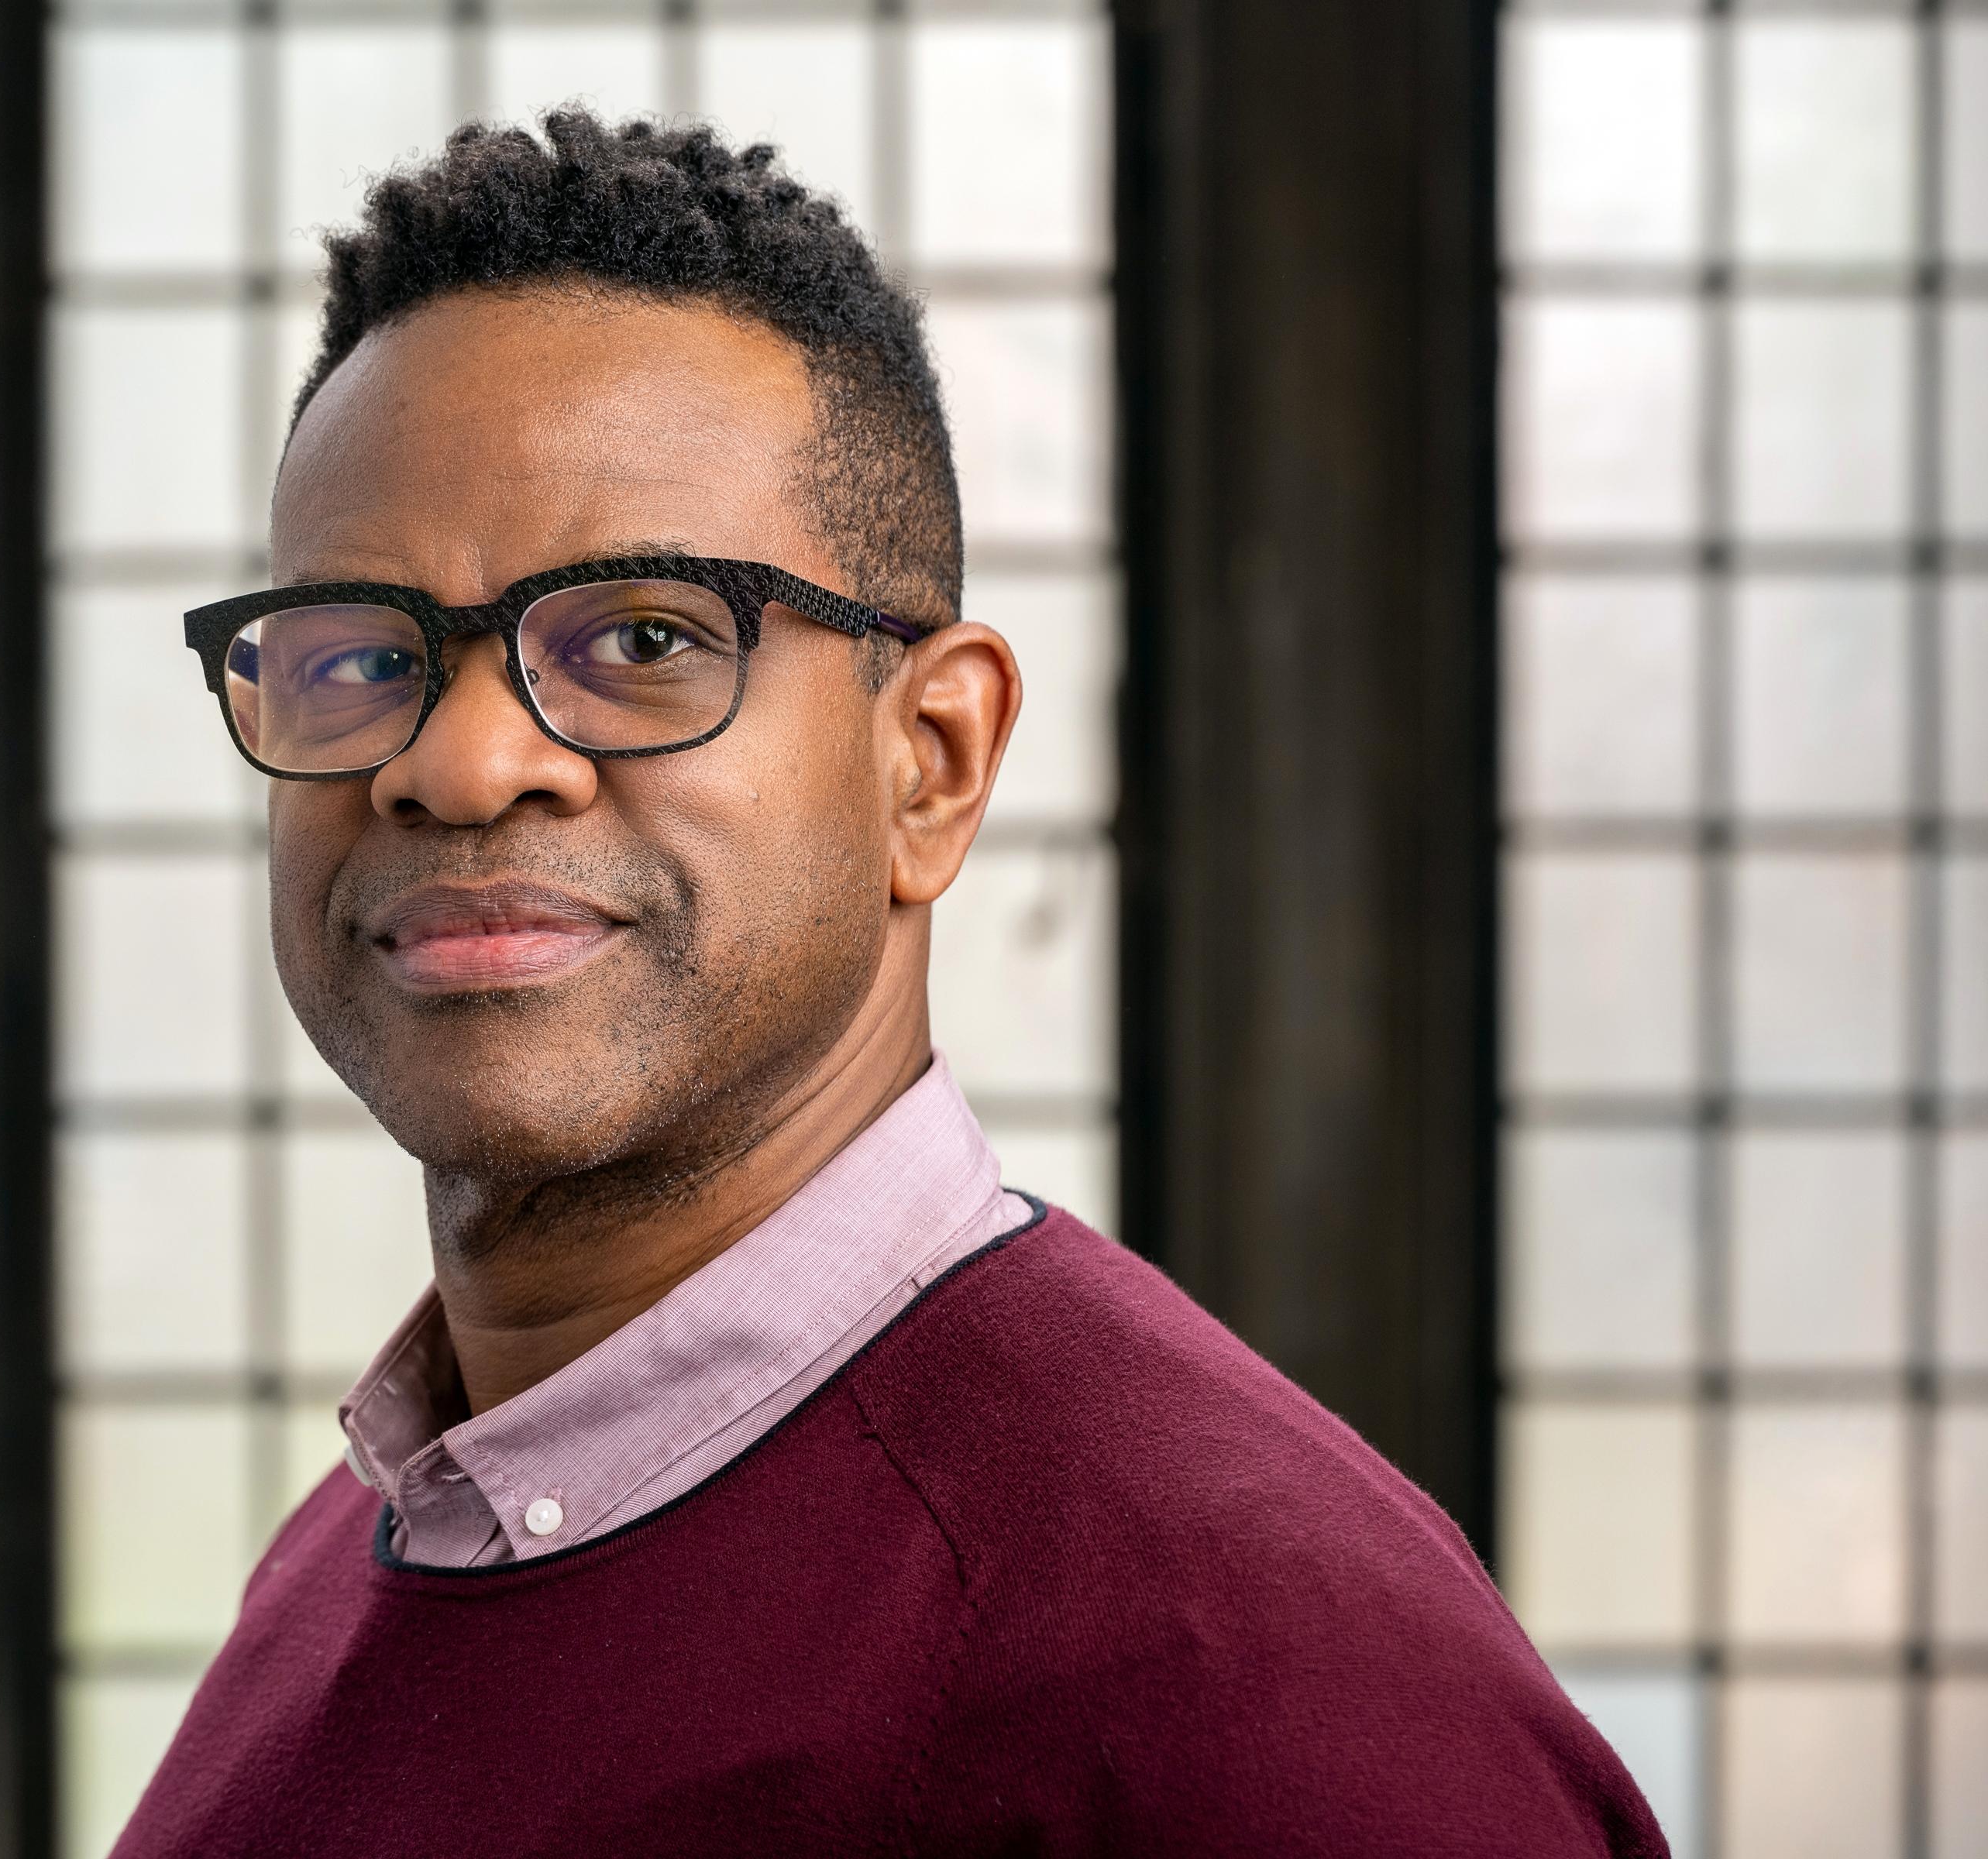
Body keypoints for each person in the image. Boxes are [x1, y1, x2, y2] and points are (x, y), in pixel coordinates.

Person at [115, 112, 1664, 1857]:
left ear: (929, 761)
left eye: (644, 639)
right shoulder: (358, 1558)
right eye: (358, 655)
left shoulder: (1252, 1683)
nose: (464, 765)